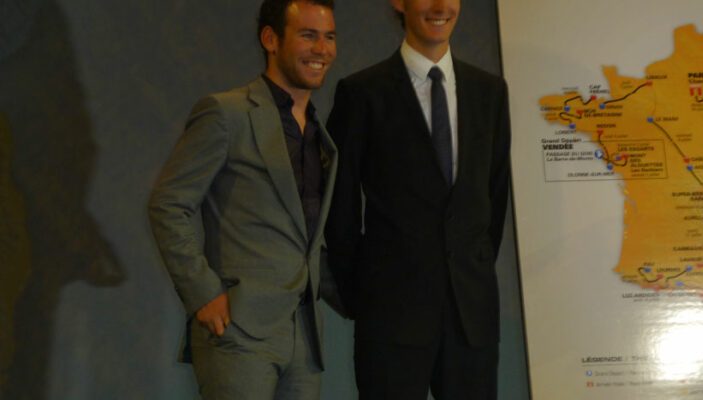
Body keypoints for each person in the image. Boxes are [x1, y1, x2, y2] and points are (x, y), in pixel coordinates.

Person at [147, 0, 337, 398]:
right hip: (238, 332)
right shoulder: (226, 113)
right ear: (271, 39)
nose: (322, 49)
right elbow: (168, 204)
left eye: (329, 37)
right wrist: (203, 292)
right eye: (308, 35)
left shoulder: (321, 135)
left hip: (304, 340)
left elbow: (308, 241)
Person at [324, 0, 511, 398]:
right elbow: (339, 211)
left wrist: (471, 269)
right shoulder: (361, 93)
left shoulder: (490, 92)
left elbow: (493, 203)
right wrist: (363, 296)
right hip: (389, 319)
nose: (441, 6)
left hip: (471, 319)